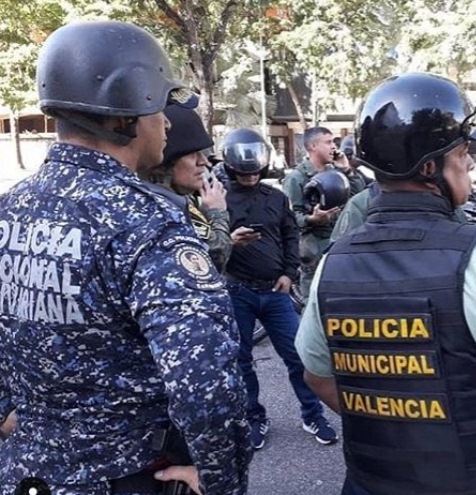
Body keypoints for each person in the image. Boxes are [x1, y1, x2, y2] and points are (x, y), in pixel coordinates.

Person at [295, 72, 476, 495]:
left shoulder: (333, 263)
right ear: (430, 166)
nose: (469, 162)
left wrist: (402, 425)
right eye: (462, 151)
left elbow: (317, 376)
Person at [0, 20, 250, 495]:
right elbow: (204, 382)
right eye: (158, 106)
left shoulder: (11, 208)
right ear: (124, 118)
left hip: (26, 476)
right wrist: (220, 479)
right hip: (129, 477)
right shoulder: (148, 221)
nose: (168, 122)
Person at [221, 128, 338, 449]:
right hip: (237, 292)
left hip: (276, 292)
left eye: (255, 171)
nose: (250, 176)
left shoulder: (276, 197)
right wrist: (229, 241)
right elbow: (208, 249)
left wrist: (289, 273)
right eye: (244, 172)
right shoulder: (217, 200)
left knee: (299, 356)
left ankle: (313, 414)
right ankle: (254, 417)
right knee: (241, 360)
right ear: (231, 167)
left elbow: (290, 237)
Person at [141, 104, 232, 271]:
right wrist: (217, 213)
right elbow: (215, 256)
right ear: (165, 162)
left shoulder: (176, 198)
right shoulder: (165, 205)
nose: (203, 161)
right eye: (192, 154)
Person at [283, 127, 367, 297]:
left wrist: (347, 170)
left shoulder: (336, 173)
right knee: (315, 301)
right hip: (315, 250)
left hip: (340, 245)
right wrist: (311, 219)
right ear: (313, 146)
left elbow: (359, 196)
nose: (333, 147)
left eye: (333, 142)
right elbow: (289, 219)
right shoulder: (296, 178)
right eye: (328, 142)